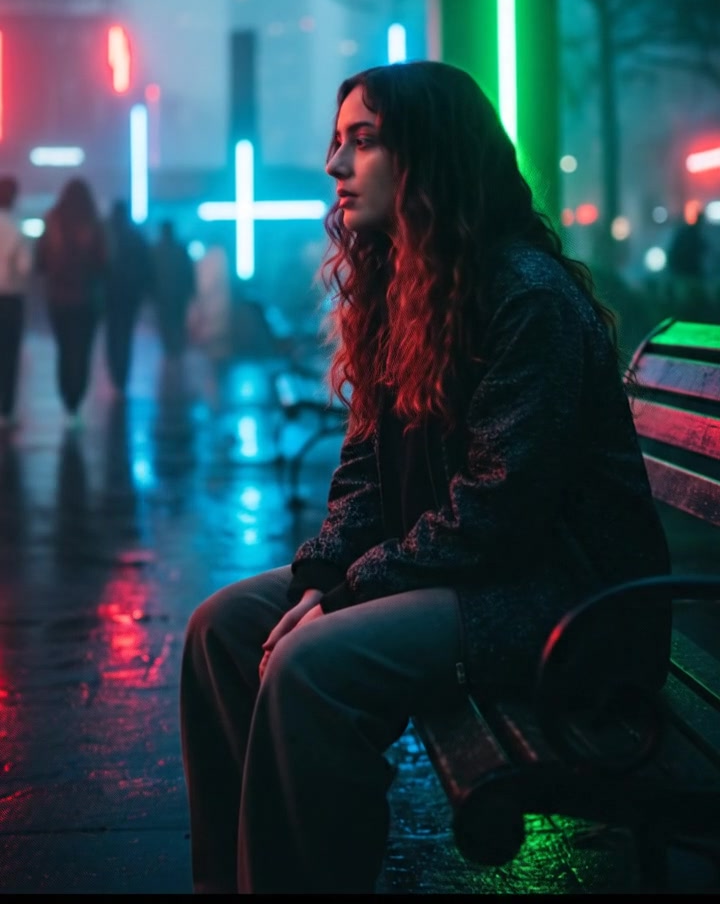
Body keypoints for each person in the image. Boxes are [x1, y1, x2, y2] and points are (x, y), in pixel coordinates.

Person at [179, 60, 672, 895]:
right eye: (337, 143)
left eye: (361, 142)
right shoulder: (402, 289)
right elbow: (367, 473)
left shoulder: (527, 298)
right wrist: (322, 573)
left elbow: (497, 510)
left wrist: (344, 598)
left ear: (429, 158)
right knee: (222, 629)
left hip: (569, 604)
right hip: (478, 582)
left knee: (312, 664)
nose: (334, 166)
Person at [35, 177, 107, 425]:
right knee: (82, 351)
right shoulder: (93, 223)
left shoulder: (52, 222)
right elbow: (103, 262)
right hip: (87, 300)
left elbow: (40, 262)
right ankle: (77, 397)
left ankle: (68, 400)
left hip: (59, 300)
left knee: (64, 350)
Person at [103, 198, 153, 394]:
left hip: (110, 295)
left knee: (112, 335)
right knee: (126, 336)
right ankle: (122, 376)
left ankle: (116, 374)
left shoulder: (106, 236)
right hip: (130, 296)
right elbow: (146, 267)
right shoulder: (136, 237)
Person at [0, 175, 32, 427]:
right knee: (8, 357)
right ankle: (5, 411)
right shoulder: (16, 228)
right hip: (10, 300)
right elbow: (24, 268)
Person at [150, 220, 196, 358]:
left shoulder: (156, 251)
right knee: (175, 325)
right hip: (175, 296)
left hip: (164, 297)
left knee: (168, 326)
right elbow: (189, 273)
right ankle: (174, 352)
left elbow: (149, 276)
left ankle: (171, 352)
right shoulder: (179, 250)